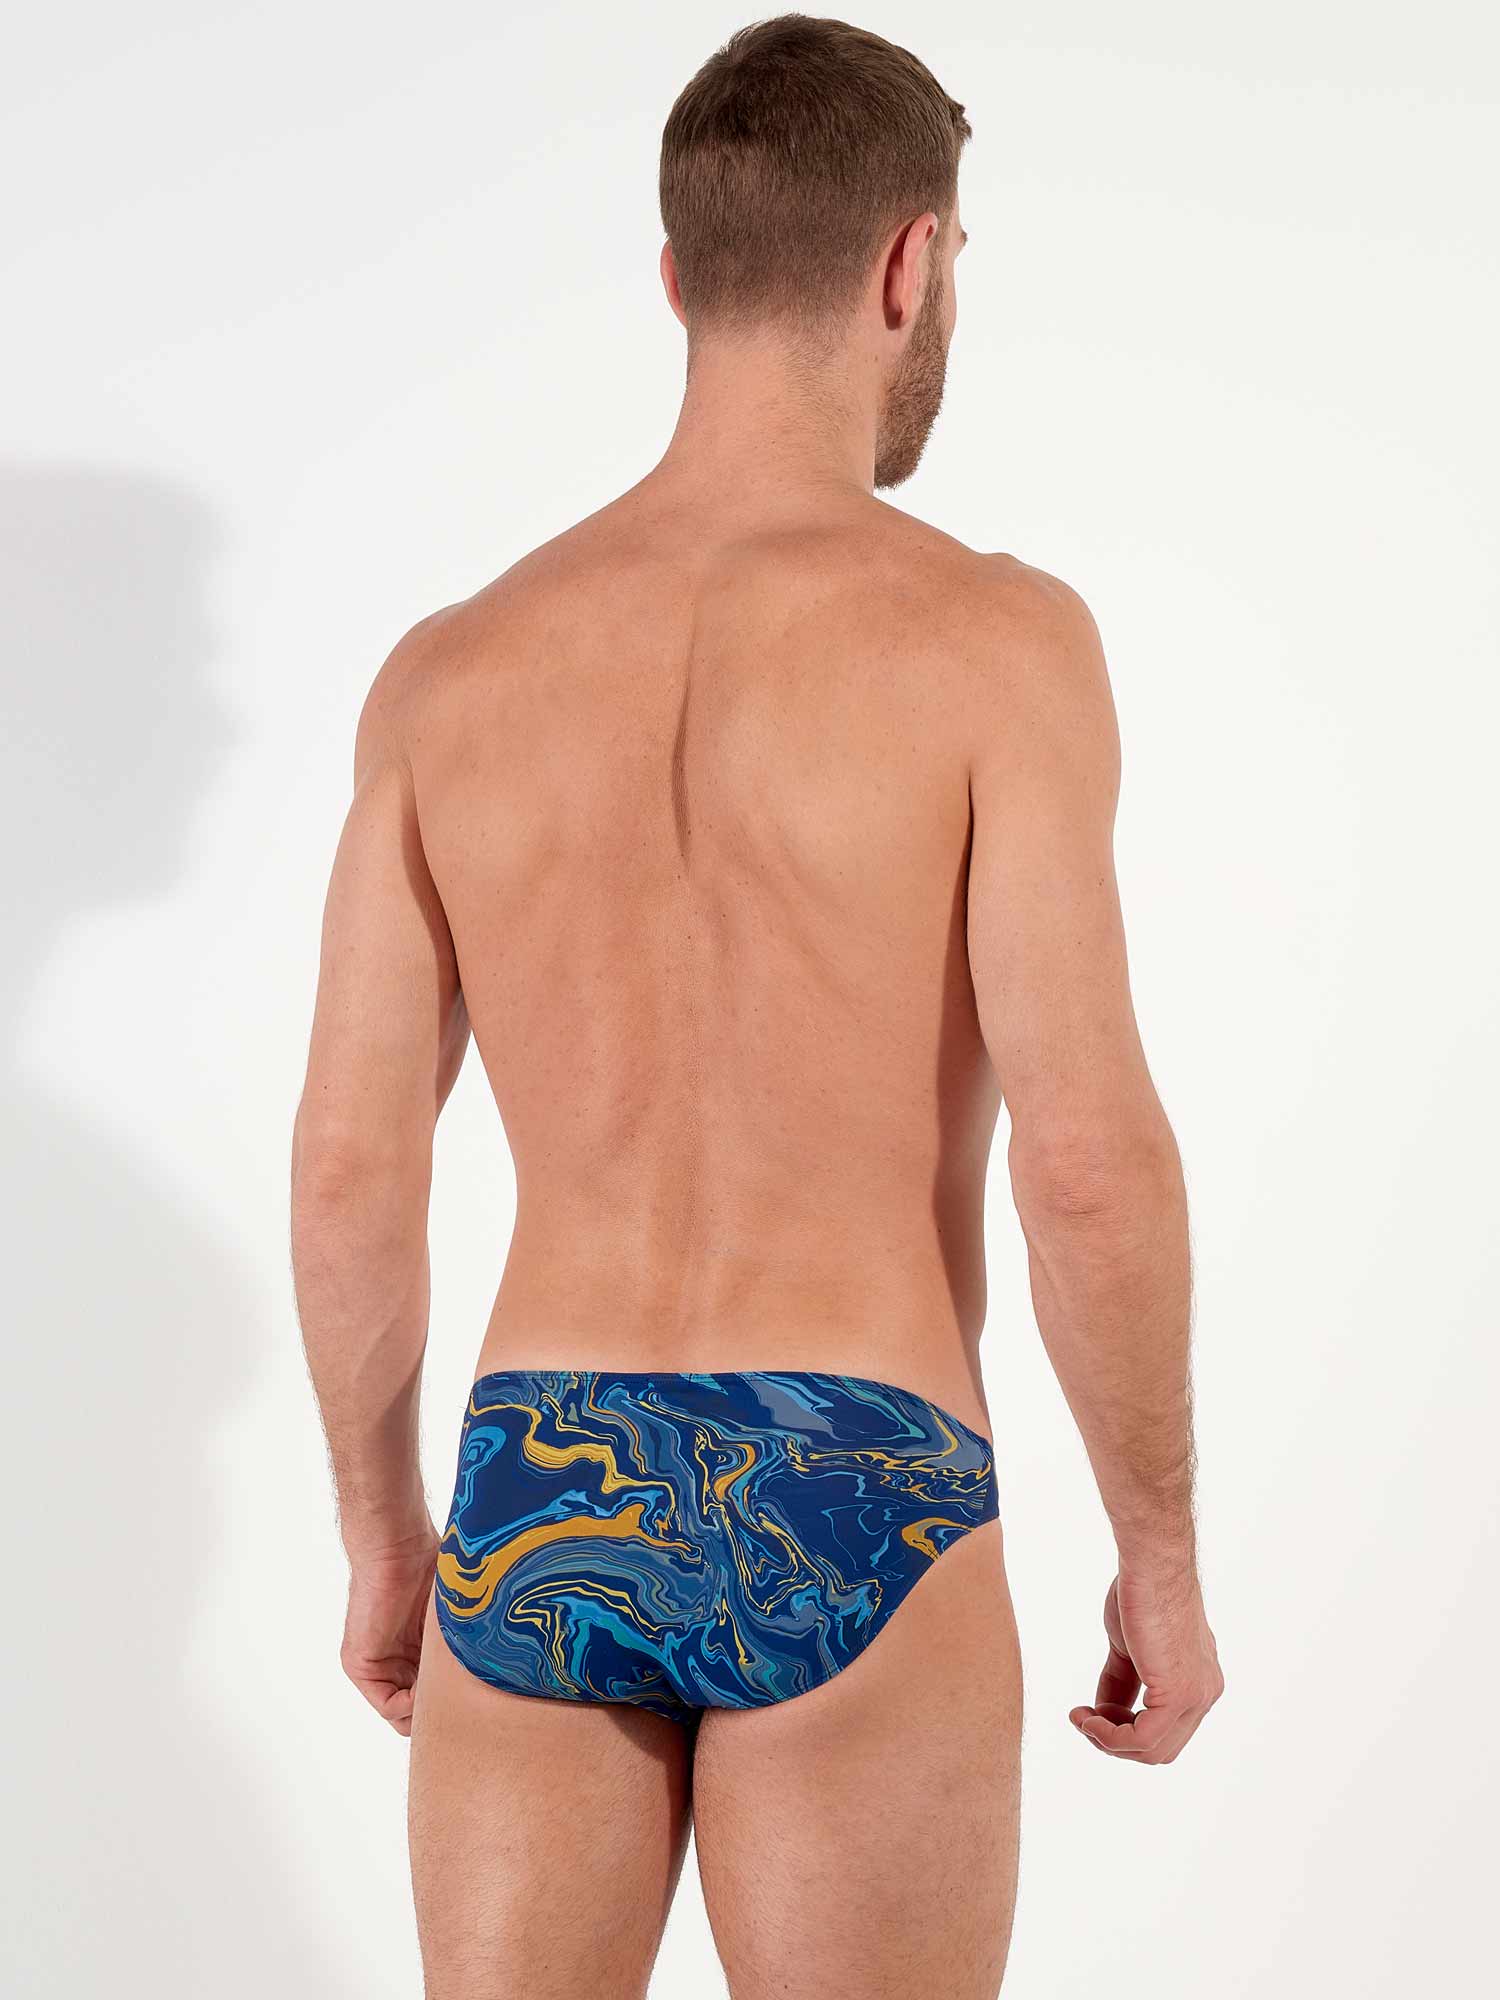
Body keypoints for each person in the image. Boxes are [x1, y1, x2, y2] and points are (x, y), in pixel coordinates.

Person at [291, 15, 1222, 1997]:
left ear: (675, 281)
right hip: (857, 1468)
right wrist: (1160, 1552)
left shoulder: (451, 676)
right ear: (911, 265)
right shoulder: (994, 644)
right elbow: (1084, 1157)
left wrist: (386, 1538)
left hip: (545, 1485)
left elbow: (354, 1167)